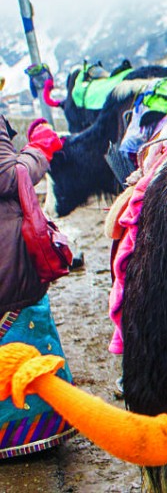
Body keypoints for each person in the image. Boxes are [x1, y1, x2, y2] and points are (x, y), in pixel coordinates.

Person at [0, 93, 76, 458]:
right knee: (22, 317)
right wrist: (39, 150)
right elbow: (6, 176)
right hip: (6, 259)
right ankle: (28, 431)